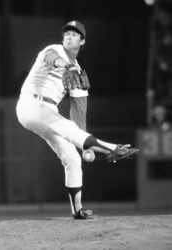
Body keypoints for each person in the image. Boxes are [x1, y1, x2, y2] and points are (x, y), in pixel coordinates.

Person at [16, 20, 139, 219]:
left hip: (46, 113)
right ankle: (114, 149)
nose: (68, 36)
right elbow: (50, 58)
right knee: (63, 125)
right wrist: (66, 66)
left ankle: (77, 210)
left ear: (82, 41)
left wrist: (86, 148)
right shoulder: (54, 49)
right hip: (31, 104)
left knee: (72, 158)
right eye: (66, 33)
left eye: (74, 34)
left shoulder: (78, 72)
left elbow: (79, 111)